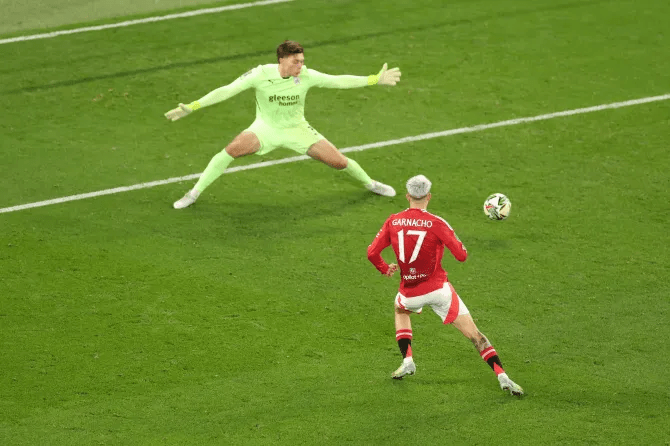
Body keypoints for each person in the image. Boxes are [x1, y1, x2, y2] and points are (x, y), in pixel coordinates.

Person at [164, 40, 401, 209]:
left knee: (339, 161)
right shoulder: (259, 74)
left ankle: (371, 184)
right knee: (230, 151)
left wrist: (374, 80)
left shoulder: (305, 76)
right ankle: (193, 193)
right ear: (282, 60)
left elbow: (337, 81)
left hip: (298, 129)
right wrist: (193, 106)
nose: (301, 65)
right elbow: (227, 90)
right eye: (296, 61)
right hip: (265, 129)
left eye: (302, 61)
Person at [367, 174, 524, 396]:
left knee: (400, 309)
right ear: (428, 196)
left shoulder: (393, 221)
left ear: (407, 196)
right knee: (475, 335)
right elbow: (461, 255)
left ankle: (408, 360)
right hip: (440, 291)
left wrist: (385, 268)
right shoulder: (437, 223)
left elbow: (372, 252)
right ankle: (502, 376)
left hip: (410, 292)